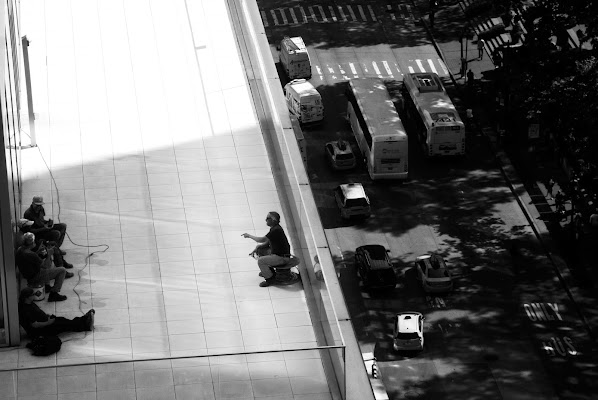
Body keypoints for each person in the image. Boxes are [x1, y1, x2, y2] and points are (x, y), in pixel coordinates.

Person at [16, 232, 72, 302]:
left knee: (48, 262)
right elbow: (45, 266)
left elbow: (33, 259)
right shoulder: (31, 254)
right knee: (62, 270)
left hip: (27, 273)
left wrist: (38, 252)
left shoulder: (20, 250)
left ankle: (47, 286)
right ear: (32, 243)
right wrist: (49, 254)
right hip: (35, 277)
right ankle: (54, 293)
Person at [18, 287, 94, 338]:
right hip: (40, 331)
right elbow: (35, 325)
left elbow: (37, 313)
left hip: (45, 322)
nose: (34, 296)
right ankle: (85, 325)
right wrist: (48, 322)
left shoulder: (29, 303)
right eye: (32, 295)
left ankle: (84, 320)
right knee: (63, 324)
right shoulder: (25, 309)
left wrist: (46, 316)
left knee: (62, 320)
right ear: (27, 297)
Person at [242, 211, 291, 287]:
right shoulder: (275, 228)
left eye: (268, 218)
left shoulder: (276, 230)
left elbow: (261, 240)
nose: (265, 220)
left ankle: (270, 279)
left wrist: (249, 236)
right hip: (278, 254)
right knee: (260, 250)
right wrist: (257, 248)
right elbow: (268, 241)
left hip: (282, 257)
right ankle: (267, 271)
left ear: (273, 220)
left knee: (261, 261)